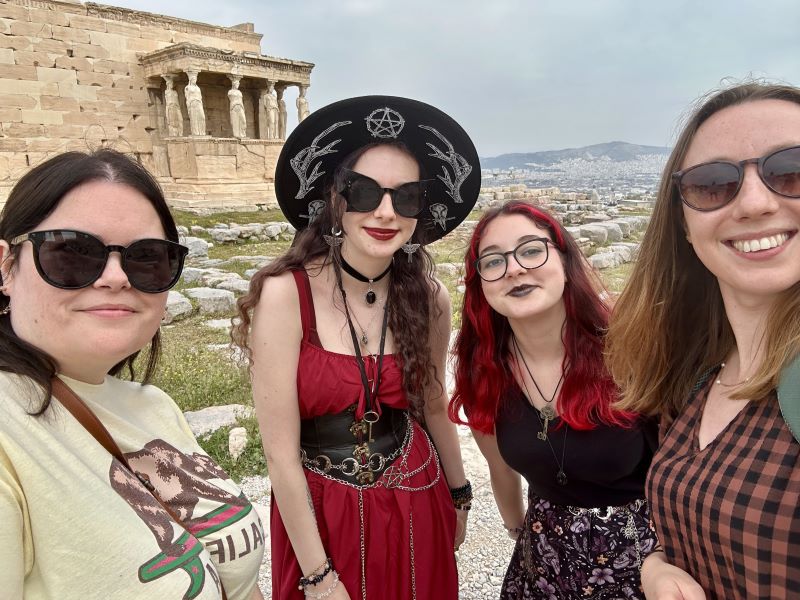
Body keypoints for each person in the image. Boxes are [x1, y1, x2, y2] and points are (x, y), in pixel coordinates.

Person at [233, 95, 481, 600]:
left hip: (415, 493)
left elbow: (433, 405)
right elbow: (280, 455)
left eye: (406, 197)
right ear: (335, 198)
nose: (385, 212)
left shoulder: (429, 298)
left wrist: (459, 494)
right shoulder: (286, 295)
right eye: (364, 191)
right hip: (321, 511)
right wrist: (318, 577)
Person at [0, 149, 265, 600]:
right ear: (6, 266)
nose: (115, 277)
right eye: (72, 252)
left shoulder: (154, 406)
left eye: (147, 257)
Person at [605, 81, 800, 599]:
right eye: (713, 184)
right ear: (685, 225)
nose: (754, 203)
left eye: (793, 171)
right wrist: (657, 567)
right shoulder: (699, 372)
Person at [450, 201, 660, 599]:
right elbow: (500, 468)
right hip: (543, 566)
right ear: (481, 285)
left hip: (646, 565)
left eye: (531, 250)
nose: (514, 269)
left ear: (565, 260)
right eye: (493, 261)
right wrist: (518, 531)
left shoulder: (628, 351)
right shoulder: (485, 372)